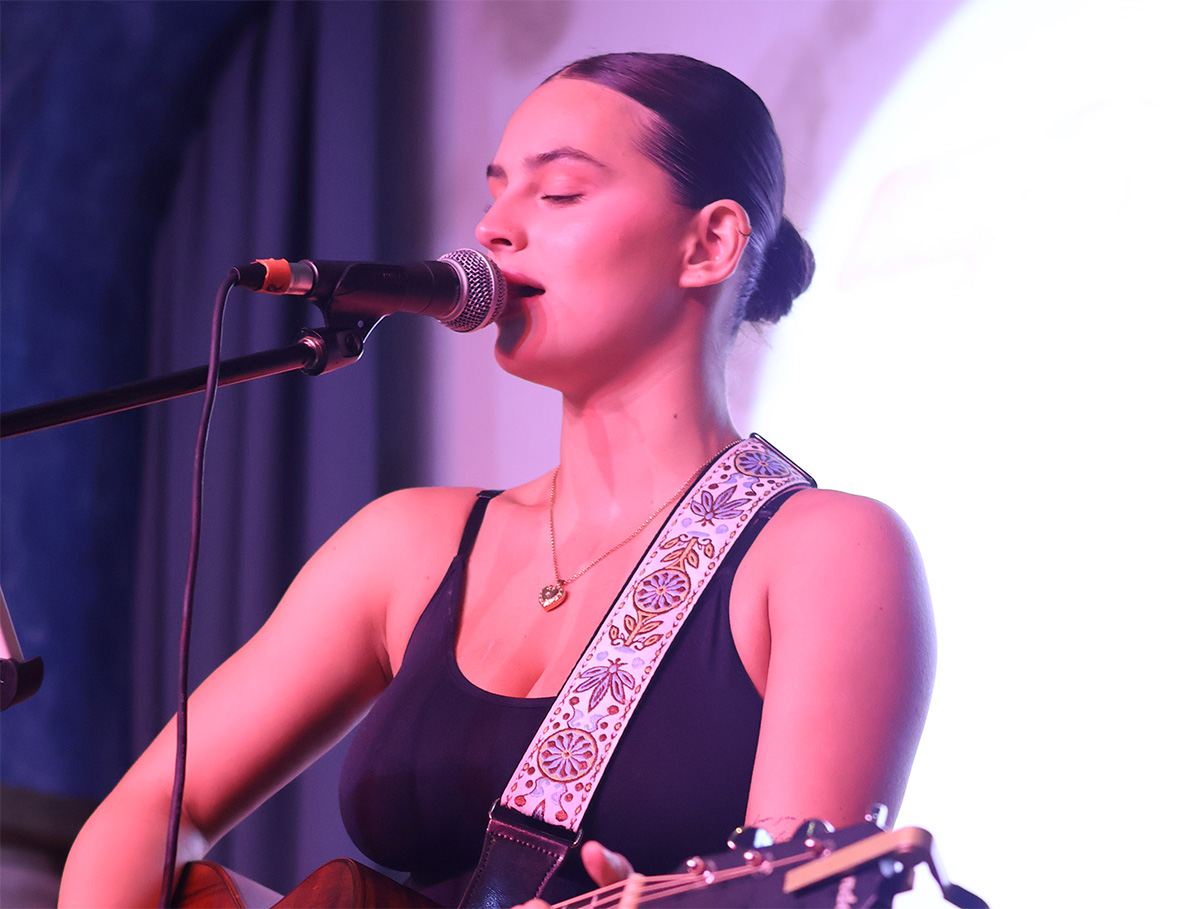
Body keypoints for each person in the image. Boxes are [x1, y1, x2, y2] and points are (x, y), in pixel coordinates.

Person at [59, 52, 934, 908]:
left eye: (559, 192)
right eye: (495, 191)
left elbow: (801, 892)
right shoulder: (405, 546)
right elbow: (149, 807)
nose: (492, 229)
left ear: (708, 244)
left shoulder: (826, 553)